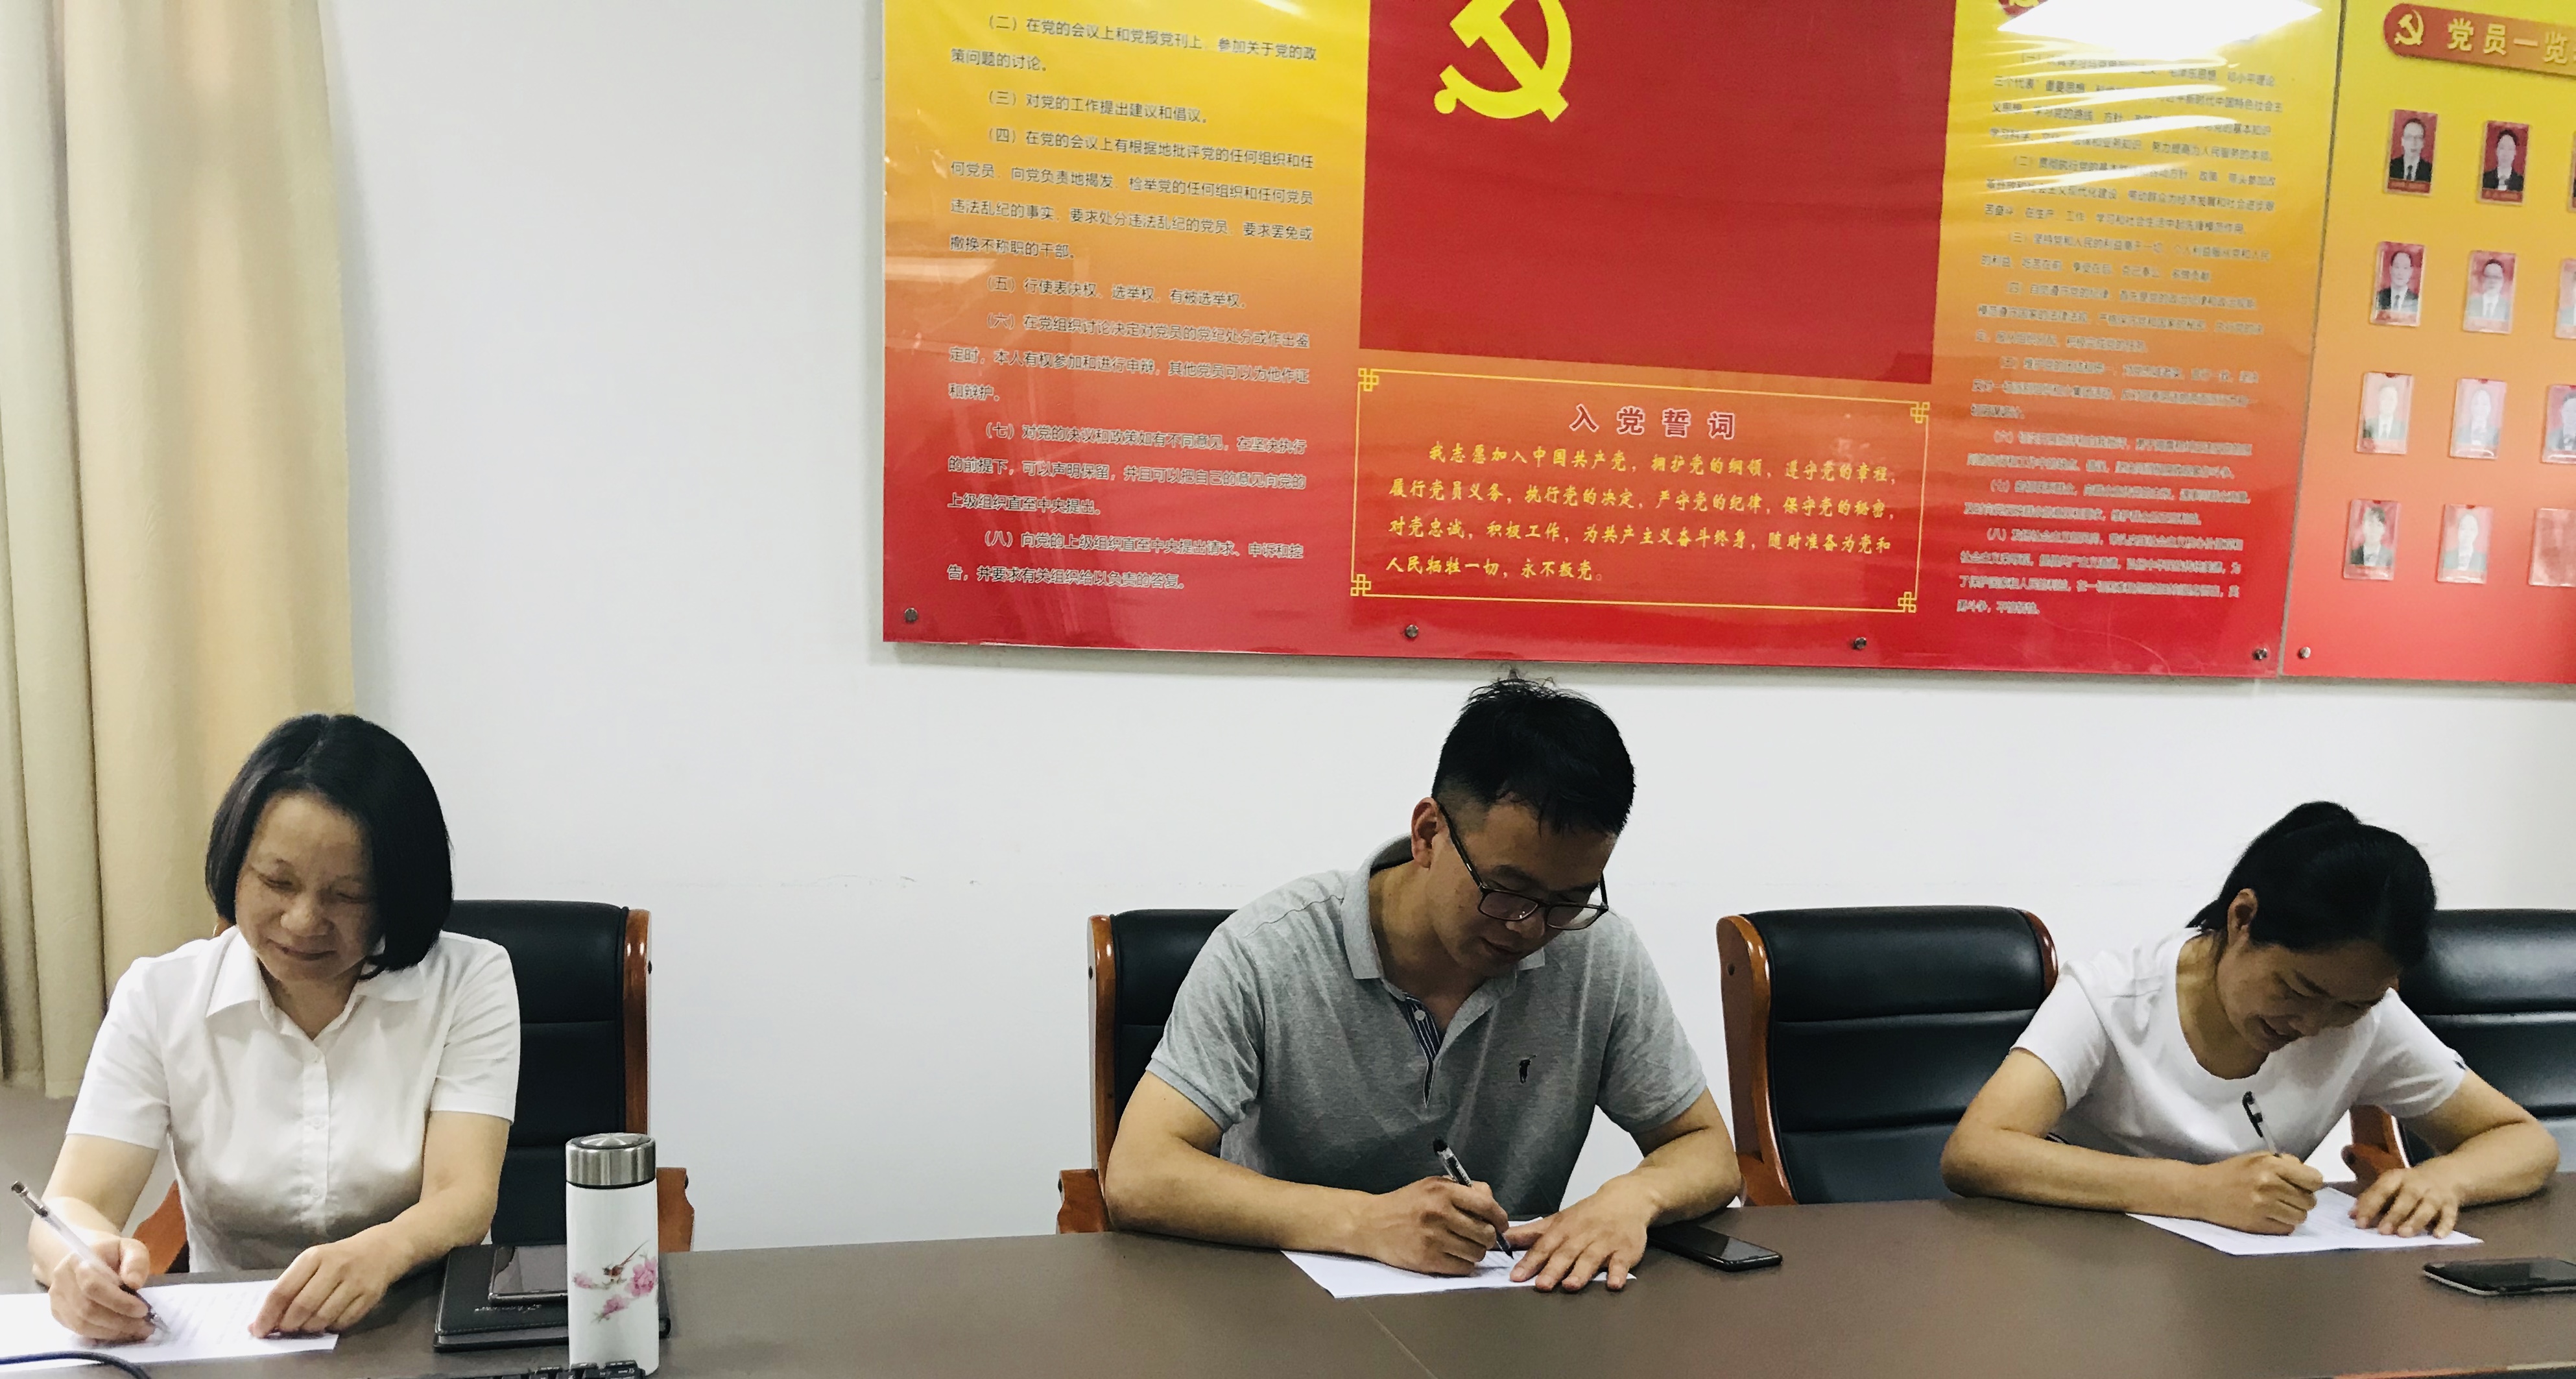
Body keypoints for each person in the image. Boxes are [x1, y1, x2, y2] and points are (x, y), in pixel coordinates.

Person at [1105, 676, 1736, 1292]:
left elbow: (1706, 1147)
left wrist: (1633, 1196)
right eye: (1506, 889)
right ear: (1429, 833)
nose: (1529, 925)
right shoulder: (1269, 949)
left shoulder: (1597, 953)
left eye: (1567, 899)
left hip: (1504, 1317)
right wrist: (1366, 1222)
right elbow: (1139, 1172)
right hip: (1283, 1310)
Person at [29, 715, 518, 1340]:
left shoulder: (470, 981)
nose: (303, 920)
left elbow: (462, 1195)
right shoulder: (160, 996)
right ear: (235, 865)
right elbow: (72, 1203)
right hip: (233, 1340)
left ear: (397, 895)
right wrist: (81, 1262)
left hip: (422, 1323)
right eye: (277, 882)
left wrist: (382, 1253)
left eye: (348, 895)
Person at [1942, 804, 2558, 1238]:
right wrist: (2195, 1192)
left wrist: (2447, 1179)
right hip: (2083, 1269)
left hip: (2250, 1296)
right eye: (2298, 989)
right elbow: (1978, 1150)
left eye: (2351, 1005)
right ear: (2243, 919)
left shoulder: (2365, 1020)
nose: (2313, 1024)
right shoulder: (2114, 995)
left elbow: (2523, 1139)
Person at [2360, 379, 2407, 448]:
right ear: (2378, 401)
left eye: (2391, 399)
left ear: (2397, 403)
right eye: (2384, 398)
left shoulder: (2403, 428)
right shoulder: (2367, 425)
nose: (2388, 403)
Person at [2374, 250, 2418, 319]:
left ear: (2411, 271)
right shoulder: (2378, 297)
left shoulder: (2416, 301)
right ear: (2390, 269)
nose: (2400, 273)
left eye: (2405, 268)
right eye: (2397, 267)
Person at [2442, 509, 2486, 579]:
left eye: (2472, 529)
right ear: (2458, 530)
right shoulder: (2447, 557)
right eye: (2463, 528)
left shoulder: (2482, 560)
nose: (2467, 534)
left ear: (2477, 532)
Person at [2467, 259, 2511, 329]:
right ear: (2482, 279)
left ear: (2503, 280)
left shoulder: (2508, 307)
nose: (2492, 281)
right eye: (2488, 276)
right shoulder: (2470, 304)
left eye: (2497, 277)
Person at [2348, 504, 2393, 571]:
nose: (2374, 529)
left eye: (2378, 525)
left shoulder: (2390, 558)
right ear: (2363, 526)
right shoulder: (2353, 556)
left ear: (2384, 529)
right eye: (2370, 524)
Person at [2456, 386, 2499, 455]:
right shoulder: (2460, 432)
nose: (2480, 408)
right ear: (2471, 406)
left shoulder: (2496, 434)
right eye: (2476, 403)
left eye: (2485, 404)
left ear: (2490, 407)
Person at [2389, 117, 2430, 184]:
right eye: (2409, 137)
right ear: (2403, 141)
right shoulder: (2390, 167)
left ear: (2423, 143)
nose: (2413, 143)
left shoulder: (2430, 171)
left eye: (2418, 138)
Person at [2483, 130, 2523, 195]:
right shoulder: (2484, 179)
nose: (2505, 154)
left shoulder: (2522, 183)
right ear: (2497, 151)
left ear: (2515, 153)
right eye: (2502, 148)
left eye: (2510, 149)